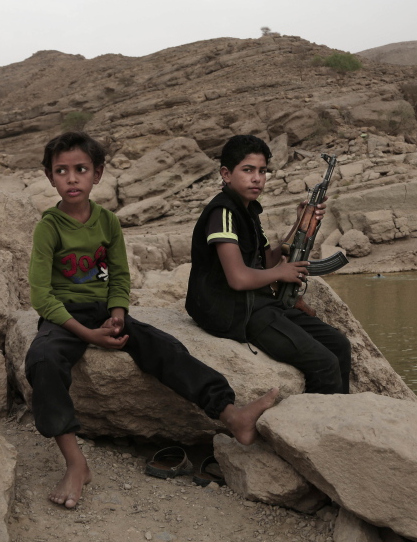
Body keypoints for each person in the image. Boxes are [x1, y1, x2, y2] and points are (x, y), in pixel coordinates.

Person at [25, 131, 278, 509]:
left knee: (165, 347)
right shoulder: (50, 226)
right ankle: (76, 462)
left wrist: (116, 314)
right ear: (50, 177)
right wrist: (88, 335)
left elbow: (120, 276)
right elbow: (41, 296)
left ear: (98, 174)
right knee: (42, 360)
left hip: (104, 313)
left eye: (81, 169)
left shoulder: (107, 221)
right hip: (64, 318)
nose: (72, 178)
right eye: (62, 171)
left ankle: (231, 414)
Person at [186, 135, 351, 395]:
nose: (257, 178)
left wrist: (301, 223)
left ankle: (342, 418)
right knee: (324, 364)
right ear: (226, 174)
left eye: (262, 171)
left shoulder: (248, 212)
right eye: (248, 170)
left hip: (257, 302)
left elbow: (268, 260)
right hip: (234, 310)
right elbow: (238, 278)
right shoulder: (223, 213)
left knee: (339, 344)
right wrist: (280, 273)